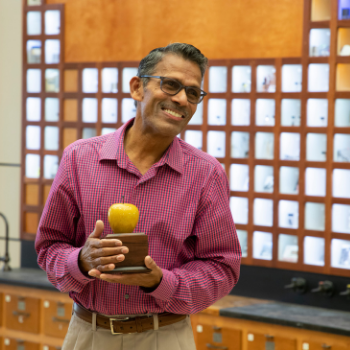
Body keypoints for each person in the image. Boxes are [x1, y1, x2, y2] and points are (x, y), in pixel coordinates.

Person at [35, 42, 241, 350]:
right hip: (89, 334)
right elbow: (49, 247)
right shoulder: (80, 158)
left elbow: (222, 268)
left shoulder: (206, 174)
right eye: (170, 85)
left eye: (193, 93)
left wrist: (160, 282)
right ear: (137, 88)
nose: (182, 99)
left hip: (165, 336)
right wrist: (80, 259)